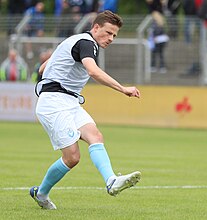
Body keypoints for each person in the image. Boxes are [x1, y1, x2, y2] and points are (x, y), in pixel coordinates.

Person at [29, 10, 141, 210]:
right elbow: (93, 71)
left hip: (69, 101)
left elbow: (42, 68)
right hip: (54, 102)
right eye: (108, 33)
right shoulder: (87, 43)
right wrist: (123, 89)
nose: (111, 38)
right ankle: (41, 194)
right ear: (95, 28)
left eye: (114, 35)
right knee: (72, 157)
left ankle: (111, 181)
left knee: (95, 136)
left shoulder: (75, 41)